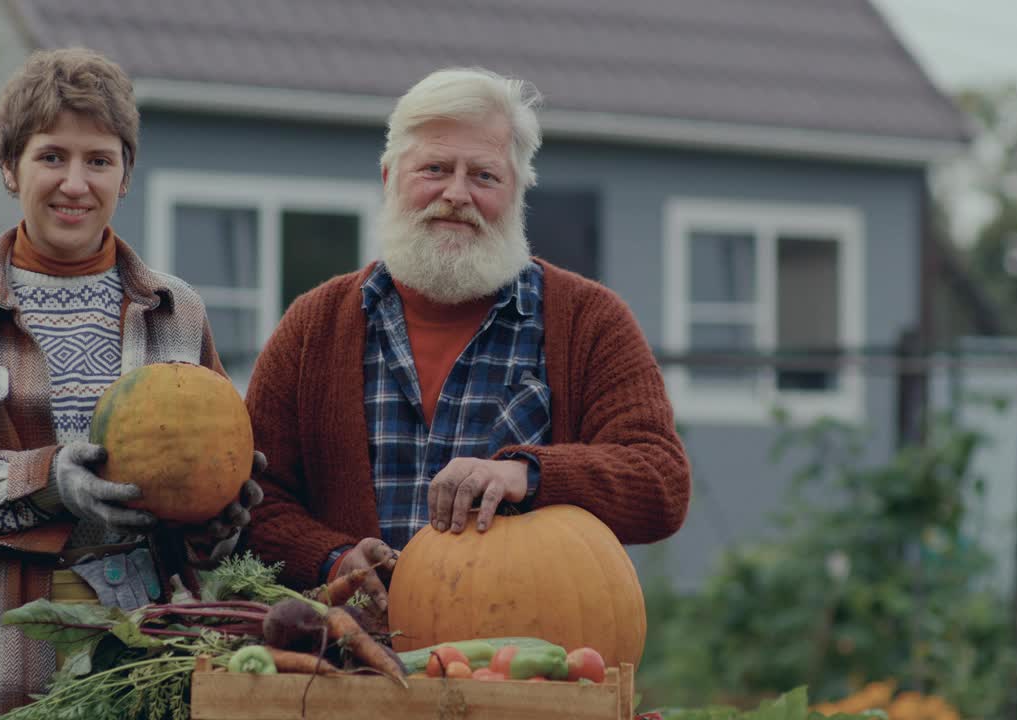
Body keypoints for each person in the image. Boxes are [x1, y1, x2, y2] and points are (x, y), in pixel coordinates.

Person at [0, 48, 261, 719]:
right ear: (10, 168)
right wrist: (45, 484)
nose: (75, 182)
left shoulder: (178, 313)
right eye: (52, 156)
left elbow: (200, 544)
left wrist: (221, 513)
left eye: (99, 159)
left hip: (137, 673)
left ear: (125, 174)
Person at [242, 67, 691, 612]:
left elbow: (660, 484)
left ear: (517, 191)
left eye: (484, 176)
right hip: (350, 665)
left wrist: (527, 472)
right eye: (434, 168)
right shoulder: (313, 327)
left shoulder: (589, 321)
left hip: (527, 664)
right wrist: (331, 558)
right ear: (389, 177)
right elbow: (256, 502)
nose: (456, 194)